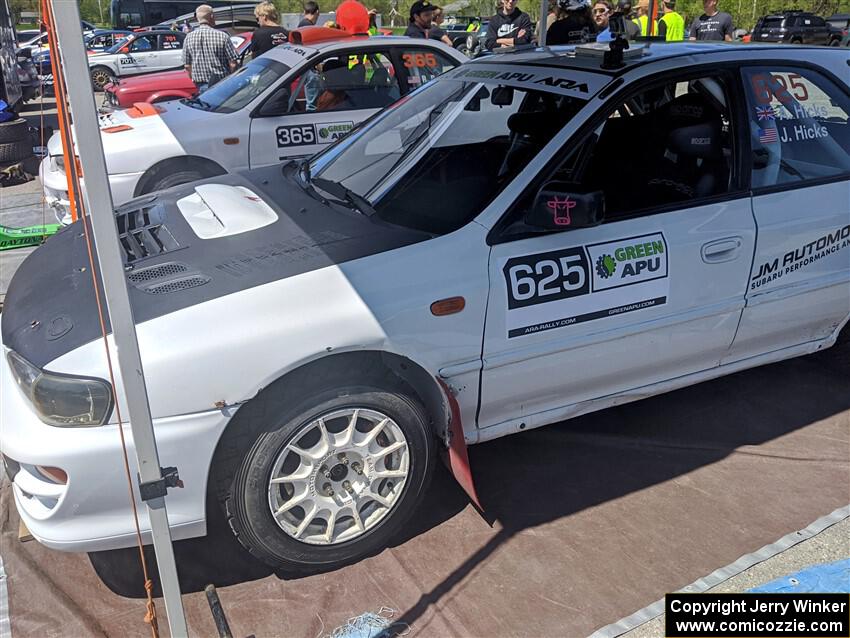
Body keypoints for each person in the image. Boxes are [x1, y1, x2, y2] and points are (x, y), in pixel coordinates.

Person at [183, 5, 238, 93]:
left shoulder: (188, 37)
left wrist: (193, 78)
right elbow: (233, 63)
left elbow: (187, 65)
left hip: (200, 84)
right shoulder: (222, 36)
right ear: (212, 16)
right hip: (221, 83)